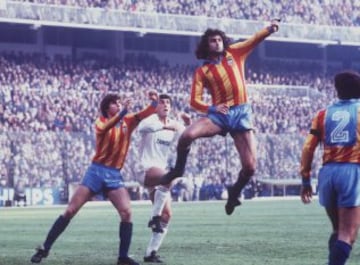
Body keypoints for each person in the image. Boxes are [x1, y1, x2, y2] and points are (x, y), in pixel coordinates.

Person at [159, 19, 280, 215]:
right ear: (207, 46)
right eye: (213, 41)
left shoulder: (235, 53)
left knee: (250, 168)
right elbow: (194, 101)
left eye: (219, 39)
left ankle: (234, 193)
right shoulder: (202, 71)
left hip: (241, 113)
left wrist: (270, 29)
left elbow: (254, 40)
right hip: (219, 115)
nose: (217, 43)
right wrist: (212, 108)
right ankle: (178, 170)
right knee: (187, 136)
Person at [30, 90, 159, 265]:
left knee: (127, 212)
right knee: (70, 211)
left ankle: (123, 257)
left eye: (120, 102)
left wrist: (154, 102)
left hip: (114, 173)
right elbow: (106, 127)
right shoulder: (100, 122)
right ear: (107, 107)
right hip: (96, 172)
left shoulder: (128, 121)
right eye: (115, 102)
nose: (119, 105)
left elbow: (146, 113)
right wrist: (122, 112)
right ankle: (44, 249)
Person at [300, 70, 360, 265]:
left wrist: (305, 179)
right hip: (351, 172)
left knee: (337, 231)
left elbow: (308, 147)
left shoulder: (323, 114)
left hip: (327, 174)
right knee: (347, 234)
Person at [137, 94, 191, 263]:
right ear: (156, 106)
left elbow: (188, 137)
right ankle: (154, 218)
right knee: (171, 175)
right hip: (144, 170)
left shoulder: (174, 124)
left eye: (168, 103)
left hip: (160, 177)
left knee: (167, 215)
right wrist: (165, 127)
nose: (165, 105)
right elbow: (141, 128)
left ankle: (150, 253)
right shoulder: (150, 121)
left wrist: (188, 125)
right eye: (162, 103)